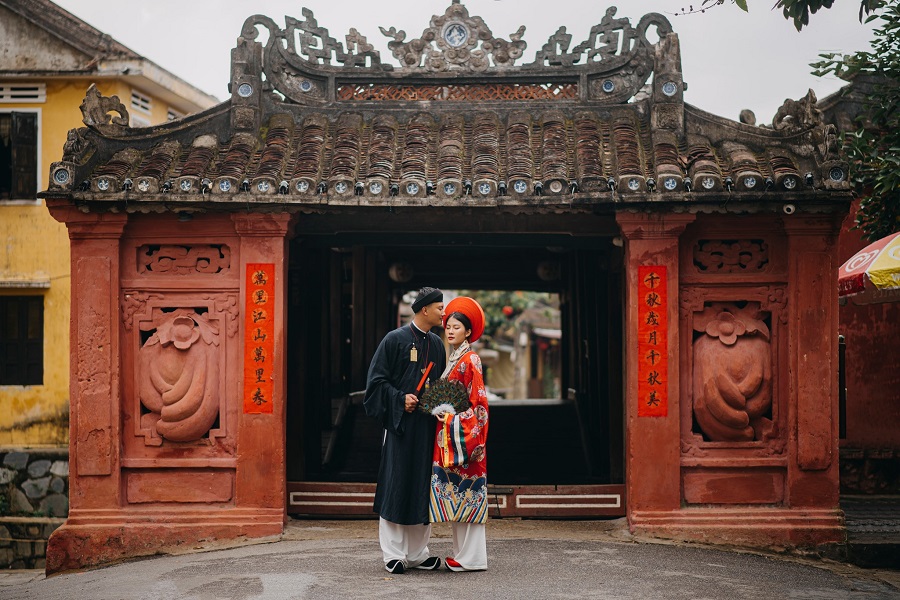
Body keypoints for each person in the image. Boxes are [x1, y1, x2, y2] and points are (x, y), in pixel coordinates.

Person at [363, 286, 447, 574]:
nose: (443, 312)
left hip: (426, 427)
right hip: (400, 425)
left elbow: (440, 387)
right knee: (396, 484)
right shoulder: (394, 340)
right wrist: (400, 398)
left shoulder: (437, 344)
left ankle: (418, 553)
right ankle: (393, 553)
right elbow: (375, 384)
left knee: (422, 486)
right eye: (439, 307)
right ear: (424, 309)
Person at [430, 296, 490, 572]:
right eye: (448, 326)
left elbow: (478, 404)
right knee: (458, 498)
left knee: (470, 497)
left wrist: (453, 418)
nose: (451, 331)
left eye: (457, 327)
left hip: (467, 440)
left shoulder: (471, 359)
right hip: (452, 438)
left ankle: (473, 557)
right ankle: (463, 555)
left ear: (468, 332)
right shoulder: (454, 358)